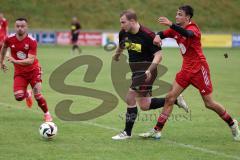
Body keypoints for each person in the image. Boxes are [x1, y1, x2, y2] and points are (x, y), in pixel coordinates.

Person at [139, 5, 240, 141]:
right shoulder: (174, 30)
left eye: (180, 14)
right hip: (186, 71)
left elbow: (188, 34)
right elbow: (162, 34)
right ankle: (157, 131)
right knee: (170, 98)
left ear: (187, 17)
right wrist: (158, 36)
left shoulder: (193, 29)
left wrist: (171, 24)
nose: (176, 16)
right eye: (176, 14)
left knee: (209, 103)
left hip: (199, 70)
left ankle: (233, 124)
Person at [111, 9, 189, 140]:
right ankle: (173, 100)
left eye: (123, 22)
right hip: (136, 71)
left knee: (130, 97)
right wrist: (117, 55)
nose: (121, 25)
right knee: (145, 105)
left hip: (147, 70)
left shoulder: (148, 35)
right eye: (120, 23)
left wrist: (149, 70)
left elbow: (159, 56)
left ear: (132, 21)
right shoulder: (124, 32)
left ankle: (126, 133)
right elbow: (122, 45)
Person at [0, 18, 53, 122]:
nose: (20, 28)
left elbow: (30, 60)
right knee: (18, 96)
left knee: (37, 94)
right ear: (15, 27)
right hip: (20, 73)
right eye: (18, 26)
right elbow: (4, 47)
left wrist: (15, 61)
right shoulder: (9, 39)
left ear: (26, 27)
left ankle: (47, 114)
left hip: (33, 71)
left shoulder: (32, 41)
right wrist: (1, 61)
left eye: (22, 26)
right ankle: (28, 94)